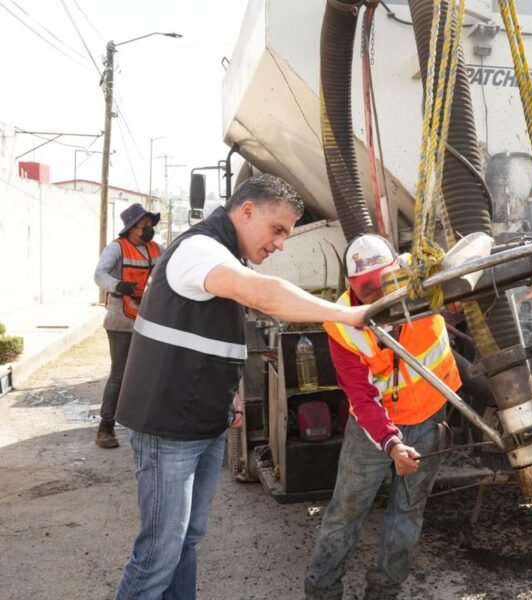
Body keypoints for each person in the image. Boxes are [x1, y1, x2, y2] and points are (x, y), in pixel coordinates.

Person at [113, 174, 367, 600]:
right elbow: (264, 295)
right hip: (168, 427)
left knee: (186, 542)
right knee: (159, 551)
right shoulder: (199, 250)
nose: (281, 243)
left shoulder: (227, 257)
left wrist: (229, 395)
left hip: (201, 422)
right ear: (247, 211)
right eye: (278, 229)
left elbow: (207, 335)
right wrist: (352, 316)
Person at [305, 233, 461, 600]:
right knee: (346, 511)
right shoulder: (342, 324)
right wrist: (391, 444)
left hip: (428, 415)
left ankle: (384, 592)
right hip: (374, 429)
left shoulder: (423, 281)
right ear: (352, 286)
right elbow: (360, 397)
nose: (376, 295)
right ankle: (322, 591)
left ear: (398, 272)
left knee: (408, 512)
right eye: (366, 289)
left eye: (383, 283)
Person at [93, 203, 164, 448]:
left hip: (149, 321)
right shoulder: (117, 248)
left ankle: (148, 424)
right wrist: (116, 285)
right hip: (120, 321)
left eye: (149, 224)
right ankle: (106, 427)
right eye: (143, 225)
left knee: (150, 373)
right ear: (131, 228)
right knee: (119, 374)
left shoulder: (156, 249)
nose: (148, 228)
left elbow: (171, 268)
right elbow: (99, 274)